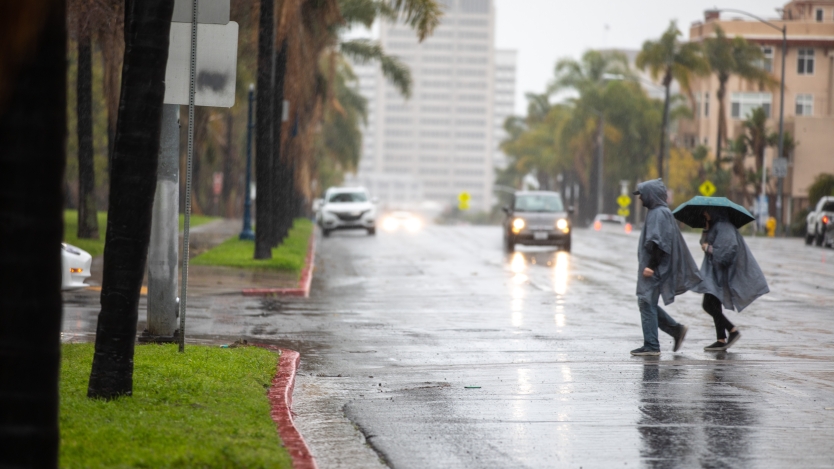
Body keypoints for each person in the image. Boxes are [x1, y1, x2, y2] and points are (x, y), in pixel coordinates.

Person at [631, 179, 702, 356]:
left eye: (642, 195)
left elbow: (659, 243)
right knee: (647, 302)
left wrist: (651, 266)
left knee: (646, 302)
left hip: (655, 268)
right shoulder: (659, 212)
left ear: (651, 195)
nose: (640, 199)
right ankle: (676, 330)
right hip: (655, 267)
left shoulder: (658, 214)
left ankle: (652, 345)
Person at [693, 208, 769, 351]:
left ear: (714, 211)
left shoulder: (725, 227)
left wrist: (709, 249)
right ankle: (722, 338)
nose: (704, 213)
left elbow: (727, 253)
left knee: (709, 304)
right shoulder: (714, 225)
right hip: (713, 273)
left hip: (722, 273)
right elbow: (704, 242)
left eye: (706, 211)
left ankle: (731, 332)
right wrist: (706, 228)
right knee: (712, 304)